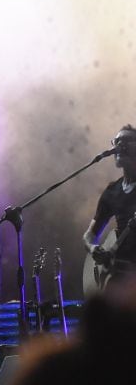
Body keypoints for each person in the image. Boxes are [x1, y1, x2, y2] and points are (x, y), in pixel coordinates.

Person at [83, 124, 136, 289]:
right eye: (116, 141)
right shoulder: (112, 191)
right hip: (119, 277)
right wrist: (93, 249)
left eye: (126, 141)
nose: (119, 146)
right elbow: (89, 235)